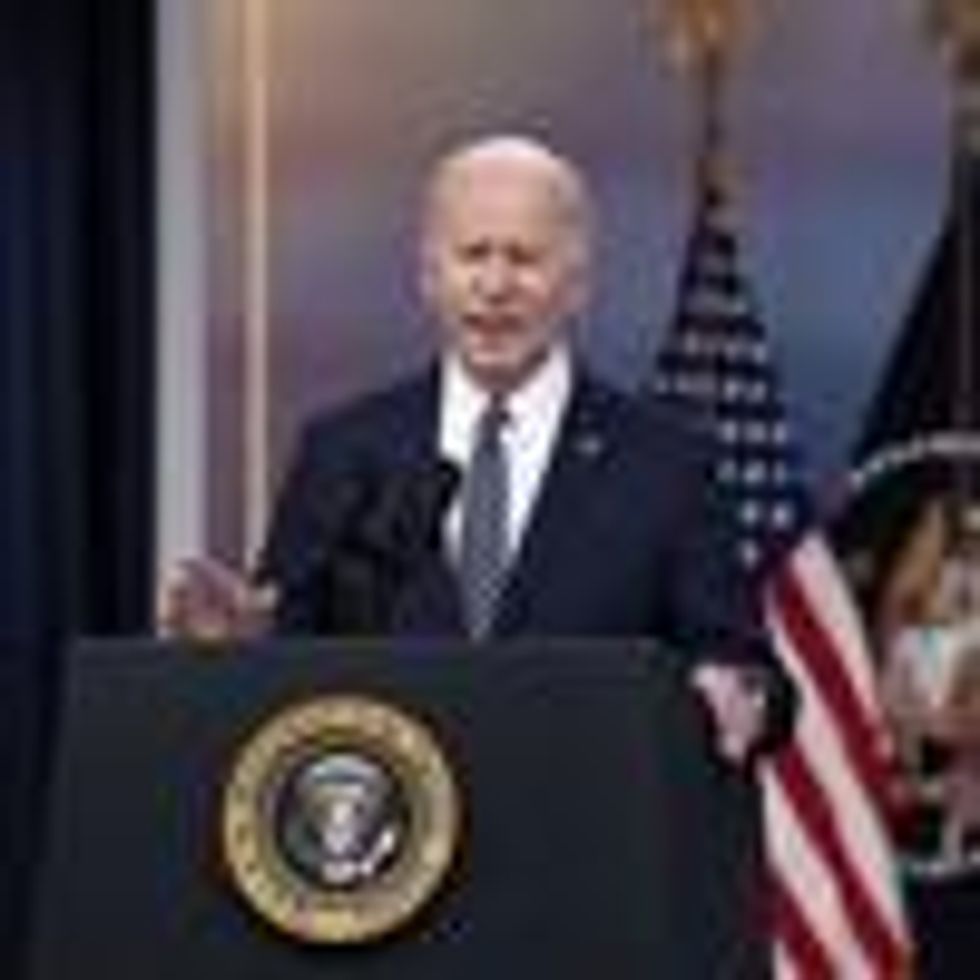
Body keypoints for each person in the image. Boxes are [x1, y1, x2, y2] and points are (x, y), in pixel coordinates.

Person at [161, 134, 792, 761]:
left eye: (523, 258)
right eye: (472, 255)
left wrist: (741, 692)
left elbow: (747, 672)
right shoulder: (345, 450)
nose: (494, 285)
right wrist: (236, 653)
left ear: (576, 285)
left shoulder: (666, 464)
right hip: (391, 840)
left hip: (588, 832)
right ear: (429, 277)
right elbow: (291, 664)